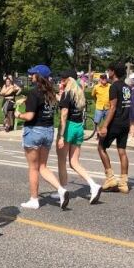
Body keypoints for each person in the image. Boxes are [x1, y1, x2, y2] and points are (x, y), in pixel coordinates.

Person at [15, 65, 67, 210]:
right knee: (43, 166)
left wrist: (18, 115)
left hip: (34, 131)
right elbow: (41, 106)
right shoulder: (50, 93)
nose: (31, 76)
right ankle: (61, 189)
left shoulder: (34, 92)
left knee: (33, 168)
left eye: (33, 74)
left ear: (38, 76)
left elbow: (30, 116)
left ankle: (34, 199)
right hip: (48, 130)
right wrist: (27, 101)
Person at [55, 71, 102, 205]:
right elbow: (69, 105)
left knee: (62, 161)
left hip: (68, 128)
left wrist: (61, 136)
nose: (61, 82)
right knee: (74, 162)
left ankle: (62, 191)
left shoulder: (66, 94)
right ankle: (93, 185)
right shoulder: (79, 92)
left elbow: (64, 114)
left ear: (67, 80)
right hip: (78, 127)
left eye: (63, 80)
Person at [97, 63, 131, 193]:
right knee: (122, 151)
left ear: (113, 72)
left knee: (101, 147)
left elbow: (113, 107)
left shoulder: (114, 87)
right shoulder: (126, 87)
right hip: (125, 123)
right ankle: (123, 183)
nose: (107, 72)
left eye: (108, 70)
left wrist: (105, 126)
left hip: (115, 123)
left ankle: (110, 177)